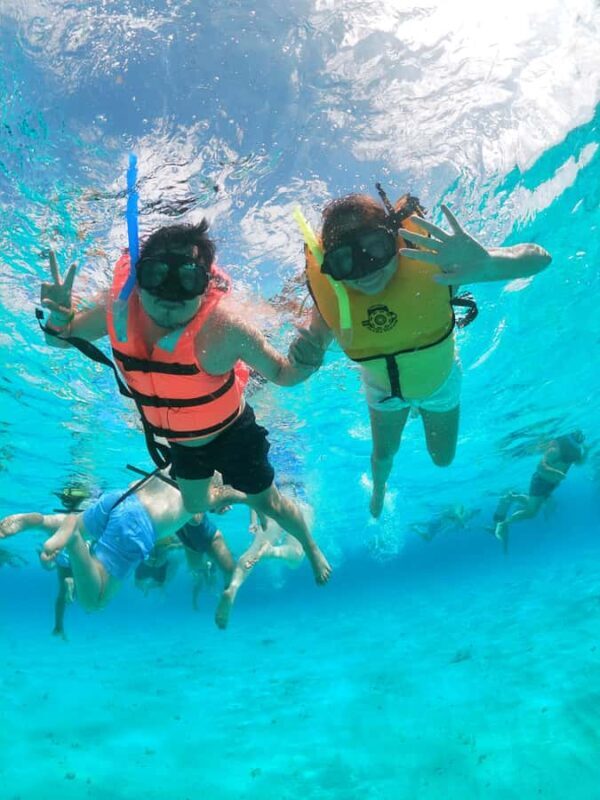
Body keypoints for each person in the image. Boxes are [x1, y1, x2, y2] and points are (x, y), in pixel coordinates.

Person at [39, 220, 330, 584]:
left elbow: (285, 375)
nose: (169, 294)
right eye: (157, 274)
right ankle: (234, 491)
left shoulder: (224, 329)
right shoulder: (118, 313)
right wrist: (57, 318)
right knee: (194, 506)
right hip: (184, 445)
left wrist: (312, 355)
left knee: (269, 503)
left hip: (234, 434)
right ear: (139, 276)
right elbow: (61, 339)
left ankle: (311, 546)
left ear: (205, 285)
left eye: (187, 279)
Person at [290, 189, 552, 516]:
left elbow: (541, 258)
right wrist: (304, 351)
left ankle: (417, 410)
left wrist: (485, 264)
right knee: (383, 456)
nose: (366, 269)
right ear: (331, 266)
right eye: (345, 260)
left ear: (395, 242)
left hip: (439, 384)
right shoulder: (333, 302)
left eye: (375, 248)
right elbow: (307, 350)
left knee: (442, 459)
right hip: (383, 391)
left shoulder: (437, 272)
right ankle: (380, 490)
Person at [0, 470, 246, 612]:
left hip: (122, 497)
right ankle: (73, 540)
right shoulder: (210, 489)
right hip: (138, 525)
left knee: (81, 522)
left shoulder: (181, 455)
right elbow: (198, 517)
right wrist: (228, 499)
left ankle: (39, 520)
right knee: (94, 601)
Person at [493, 430, 588, 551]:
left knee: (535, 503)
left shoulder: (574, 452)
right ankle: (504, 523)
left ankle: (513, 496)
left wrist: (587, 452)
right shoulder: (554, 450)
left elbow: (580, 463)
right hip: (541, 482)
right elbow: (540, 466)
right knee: (531, 512)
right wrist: (554, 472)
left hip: (551, 484)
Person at [215, 505, 306, 630]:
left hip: (273, 503)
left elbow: (256, 490)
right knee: (297, 555)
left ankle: (233, 588)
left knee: (254, 550)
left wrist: (253, 521)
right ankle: (272, 551)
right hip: (300, 502)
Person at [410, 503, 480, 542]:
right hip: (438, 521)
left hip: (440, 522)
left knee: (428, 531)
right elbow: (456, 515)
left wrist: (448, 530)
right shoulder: (459, 508)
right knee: (428, 530)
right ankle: (414, 526)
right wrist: (464, 526)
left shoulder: (462, 512)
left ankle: (414, 527)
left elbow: (455, 520)